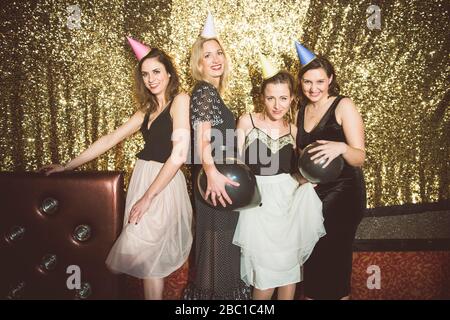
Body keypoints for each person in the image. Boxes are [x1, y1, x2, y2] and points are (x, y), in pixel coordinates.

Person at [40, 44, 193, 300]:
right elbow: (111, 138)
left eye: (156, 72)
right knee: (148, 260)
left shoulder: (180, 100)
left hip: (162, 186)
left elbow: (178, 155)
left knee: (149, 254)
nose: (151, 79)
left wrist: (148, 197)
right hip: (143, 179)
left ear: (169, 74)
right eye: (145, 74)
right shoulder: (147, 110)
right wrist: (68, 166)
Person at [232, 66, 325, 300]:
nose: (277, 105)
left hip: (288, 203)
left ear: (292, 98)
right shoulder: (247, 122)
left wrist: (307, 180)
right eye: (271, 97)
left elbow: (299, 171)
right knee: (265, 274)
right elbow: (235, 163)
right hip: (258, 204)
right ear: (262, 97)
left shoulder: (294, 131)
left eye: (283, 98)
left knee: (289, 270)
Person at [182, 18, 251, 299]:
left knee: (218, 250)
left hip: (218, 181)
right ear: (198, 64)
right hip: (214, 183)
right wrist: (211, 174)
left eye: (218, 53)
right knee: (217, 252)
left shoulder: (213, 94)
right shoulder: (204, 91)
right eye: (207, 55)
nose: (215, 59)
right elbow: (201, 140)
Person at [294, 43, 366, 300]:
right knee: (312, 256)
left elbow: (359, 157)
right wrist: (302, 179)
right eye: (307, 82)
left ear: (331, 80)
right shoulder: (301, 111)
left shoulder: (343, 105)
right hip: (314, 193)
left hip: (344, 192)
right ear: (300, 82)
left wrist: (341, 147)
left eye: (320, 81)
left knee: (333, 258)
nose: (313, 88)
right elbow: (303, 159)